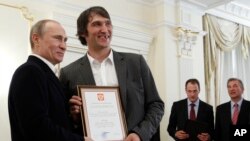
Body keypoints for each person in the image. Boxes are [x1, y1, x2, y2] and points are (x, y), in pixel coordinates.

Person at [59, 6, 164, 141]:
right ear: (83, 32)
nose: (105, 29)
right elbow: (63, 121)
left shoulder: (136, 62)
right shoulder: (68, 73)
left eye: (108, 23)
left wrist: (139, 134)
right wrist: (74, 117)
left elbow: (156, 105)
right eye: (97, 24)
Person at [8, 19, 89, 141]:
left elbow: (54, 120)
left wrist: (72, 115)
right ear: (36, 39)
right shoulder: (29, 72)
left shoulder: (46, 74)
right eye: (57, 38)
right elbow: (37, 127)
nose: (63, 46)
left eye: (65, 40)